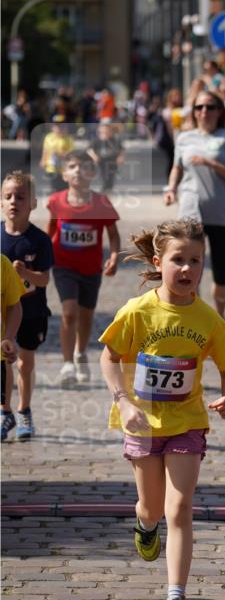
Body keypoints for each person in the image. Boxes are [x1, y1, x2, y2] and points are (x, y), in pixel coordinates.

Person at [99, 220, 225, 600]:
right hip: (142, 422)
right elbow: (109, 357)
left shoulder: (207, 319)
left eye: (195, 261)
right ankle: (144, 525)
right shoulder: (138, 310)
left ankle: (177, 596)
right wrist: (123, 402)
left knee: (179, 508)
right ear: (159, 262)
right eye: (178, 260)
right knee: (153, 507)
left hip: (187, 422)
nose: (187, 269)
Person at [164, 91, 225, 317]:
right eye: (199, 107)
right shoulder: (184, 138)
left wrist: (211, 163)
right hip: (190, 210)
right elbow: (177, 168)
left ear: (219, 111)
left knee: (220, 272)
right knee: (189, 269)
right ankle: (194, 317)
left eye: (210, 107)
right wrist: (171, 189)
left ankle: (219, 320)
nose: (204, 112)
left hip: (221, 213)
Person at [47, 151, 121, 386]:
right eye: (72, 166)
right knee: (69, 312)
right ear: (64, 174)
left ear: (93, 173)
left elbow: (113, 235)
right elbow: (51, 230)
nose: (78, 170)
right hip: (63, 265)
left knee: (86, 315)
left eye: (84, 166)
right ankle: (68, 363)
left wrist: (115, 257)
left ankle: (80, 353)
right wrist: (42, 254)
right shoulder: (56, 201)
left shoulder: (101, 203)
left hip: (91, 268)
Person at [1, 171, 54, 440]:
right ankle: (4, 412)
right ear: (0, 202)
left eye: (20, 197)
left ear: (33, 203)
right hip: (3, 315)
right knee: (3, 365)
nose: (13, 202)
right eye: (8, 196)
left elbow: (44, 278)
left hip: (32, 312)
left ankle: (24, 411)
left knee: (25, 364)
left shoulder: (39, 240)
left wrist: (24, 275)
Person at [1, 253, 26, 441]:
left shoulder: (2, 264)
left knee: (2, 365)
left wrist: (9, 337)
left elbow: (14, 306)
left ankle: (5, 412)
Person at [88, 119, 125, 193]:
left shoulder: (114, 140)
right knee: (104, 176)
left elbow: (121, 150)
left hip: (112, 162)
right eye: (103, 130)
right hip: (101, 162)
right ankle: (104, 190)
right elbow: (89, 149)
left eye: (107, 130)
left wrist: (121, 157)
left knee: (111, 176)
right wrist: (94, 156)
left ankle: (108, 189)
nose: (105, 133)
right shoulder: (96, 140)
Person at [40, 118, 75, 194]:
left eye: (62, 126)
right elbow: (45, 149)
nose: (60, 129)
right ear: (52, 127)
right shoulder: (48, 137)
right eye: (57, 127)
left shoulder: (68, 138)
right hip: (52, 167)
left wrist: (63, 154)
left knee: (64, 187)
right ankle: (56, 200)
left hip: (64, 168)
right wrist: (43, 160)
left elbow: (72, 152)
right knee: (54, 186)